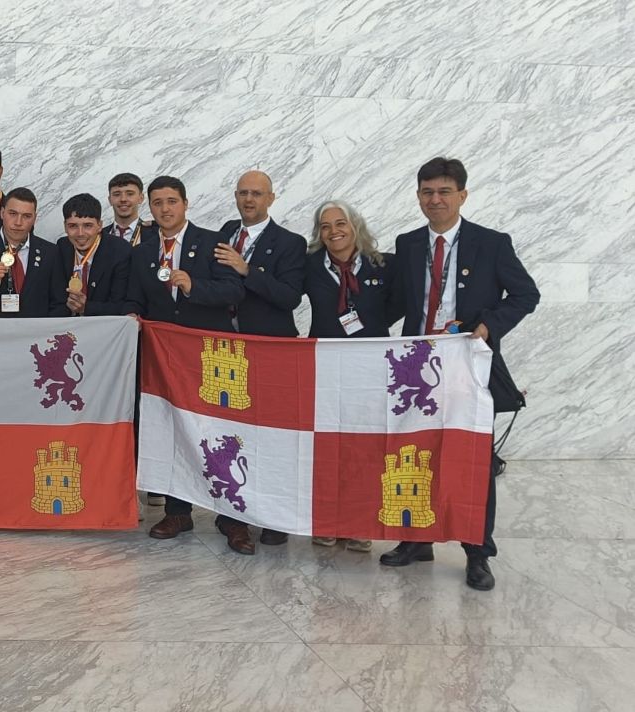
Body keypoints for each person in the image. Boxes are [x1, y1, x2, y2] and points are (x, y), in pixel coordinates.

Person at [381, 157, 540, 592]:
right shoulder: (408, 243)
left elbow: (526, 294)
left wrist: (488, 324)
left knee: (472, 459)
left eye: (444, 192)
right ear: (418, 197)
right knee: (415, 451)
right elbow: (398, 303)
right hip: (417, 368)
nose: (435, 200)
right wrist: (349, 328)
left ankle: (477, 551)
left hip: (469, 364)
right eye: (427, 192)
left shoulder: (492, 243)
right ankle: (416, 539)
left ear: (462, 196)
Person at [127, 175, 244, 543]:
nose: (165, 209)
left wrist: (194, 287)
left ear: (185, 203)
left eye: (171, 201)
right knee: (170, 430)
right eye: (158, 202)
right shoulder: (143, 251)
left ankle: (230, 516)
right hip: (163, 359)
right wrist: (131, 315)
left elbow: (233, 290)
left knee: (217, 433)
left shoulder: (211, 243)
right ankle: (178, 513)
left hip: (208, 358)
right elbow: (135, 297)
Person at [210, 169, 307, 553]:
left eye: (257, 194)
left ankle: (273, 516)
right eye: (243, 193)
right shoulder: (224, 232)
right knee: (232, 436)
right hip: (225, 353)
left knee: (271, 437)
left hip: (269, 353)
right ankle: (233, 515)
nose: (249, 200)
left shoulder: (290, 243)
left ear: (271, 198)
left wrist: (246, 269)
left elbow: (289, 297)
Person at [304, 198, 402, 553]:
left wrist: (371, 329)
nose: (334, 231)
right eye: (326, 226)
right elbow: (282, 296)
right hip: (326, 368)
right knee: (328, 446)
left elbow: (400, 304)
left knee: (364, 447)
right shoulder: (310, 266)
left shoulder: (384, 265)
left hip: (370, 368)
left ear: (355, 226)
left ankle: (359, 523)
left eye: (340, 224)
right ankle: (328, 521)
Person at [0, 188, 60, 318]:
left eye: (26, 216)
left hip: (36, 334)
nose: (18, 222)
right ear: (2, 213)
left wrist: (44, 332)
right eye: (13, 214)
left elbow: (59, 303)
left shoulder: (50, 252)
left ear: (35, 218)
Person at [54, 193, 133, 317]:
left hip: (104, 329)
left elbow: (121, 305)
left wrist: (86, 308)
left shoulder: (120, 251)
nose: (80, 233)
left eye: (87, 226)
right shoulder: (62, 247)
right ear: (65, 226)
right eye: (73, 226)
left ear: (100, 226)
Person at [105, 173, 152, 247]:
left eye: (130, 194)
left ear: (141, 198)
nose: (123, 199)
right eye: (117, 194)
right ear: (110, 200)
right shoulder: (98, 236)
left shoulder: (156, 235)